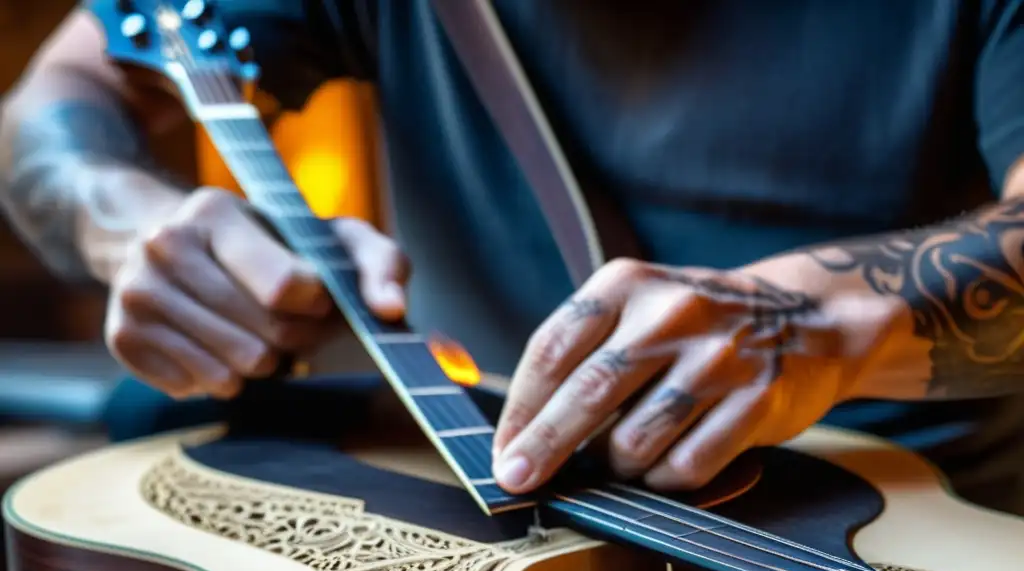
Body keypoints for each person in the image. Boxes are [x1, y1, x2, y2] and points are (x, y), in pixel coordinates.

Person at [2, 2, 1023, 514]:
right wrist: (130, 222)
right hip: (484, 497)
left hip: (937, 522)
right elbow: (59, 103)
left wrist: (816, 324)